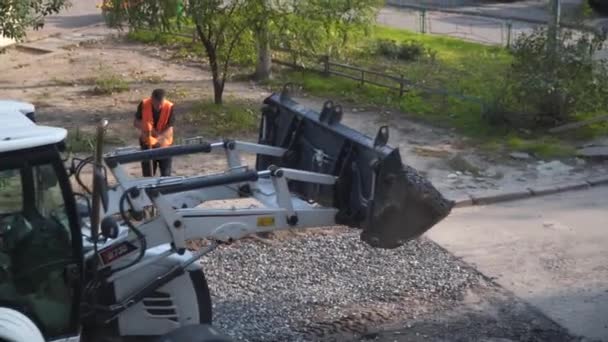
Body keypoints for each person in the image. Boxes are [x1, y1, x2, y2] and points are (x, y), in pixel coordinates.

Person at [133, 89, 175, 177]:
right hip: (147, 145)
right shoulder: (144, 104)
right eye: (156, 104)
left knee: (166, 176)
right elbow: (136, 122)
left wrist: (158, 139)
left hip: (165, 146)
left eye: (161, 104)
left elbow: (170, 128)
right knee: (148, 176)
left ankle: (165, 189)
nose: (159, 107)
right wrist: (147, 130)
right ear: (152, 99)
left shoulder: (169, 107)